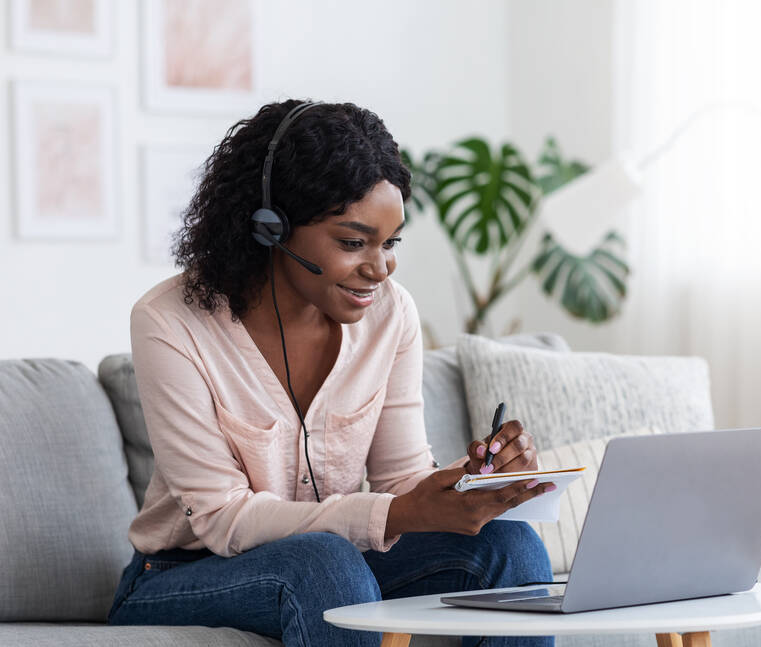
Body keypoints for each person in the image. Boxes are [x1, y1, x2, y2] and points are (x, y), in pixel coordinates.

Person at [107, 99, 555, 647]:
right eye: (352, 242)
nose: (379, 267)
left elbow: (400, 483)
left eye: (390, 242)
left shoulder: (392, 314)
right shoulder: (169, 322)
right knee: (322, 562)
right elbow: (224, 520)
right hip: (181, 574)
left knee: (511, 546)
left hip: (338, 559)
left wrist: (472, 482)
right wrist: (399, 512)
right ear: (272, 228)